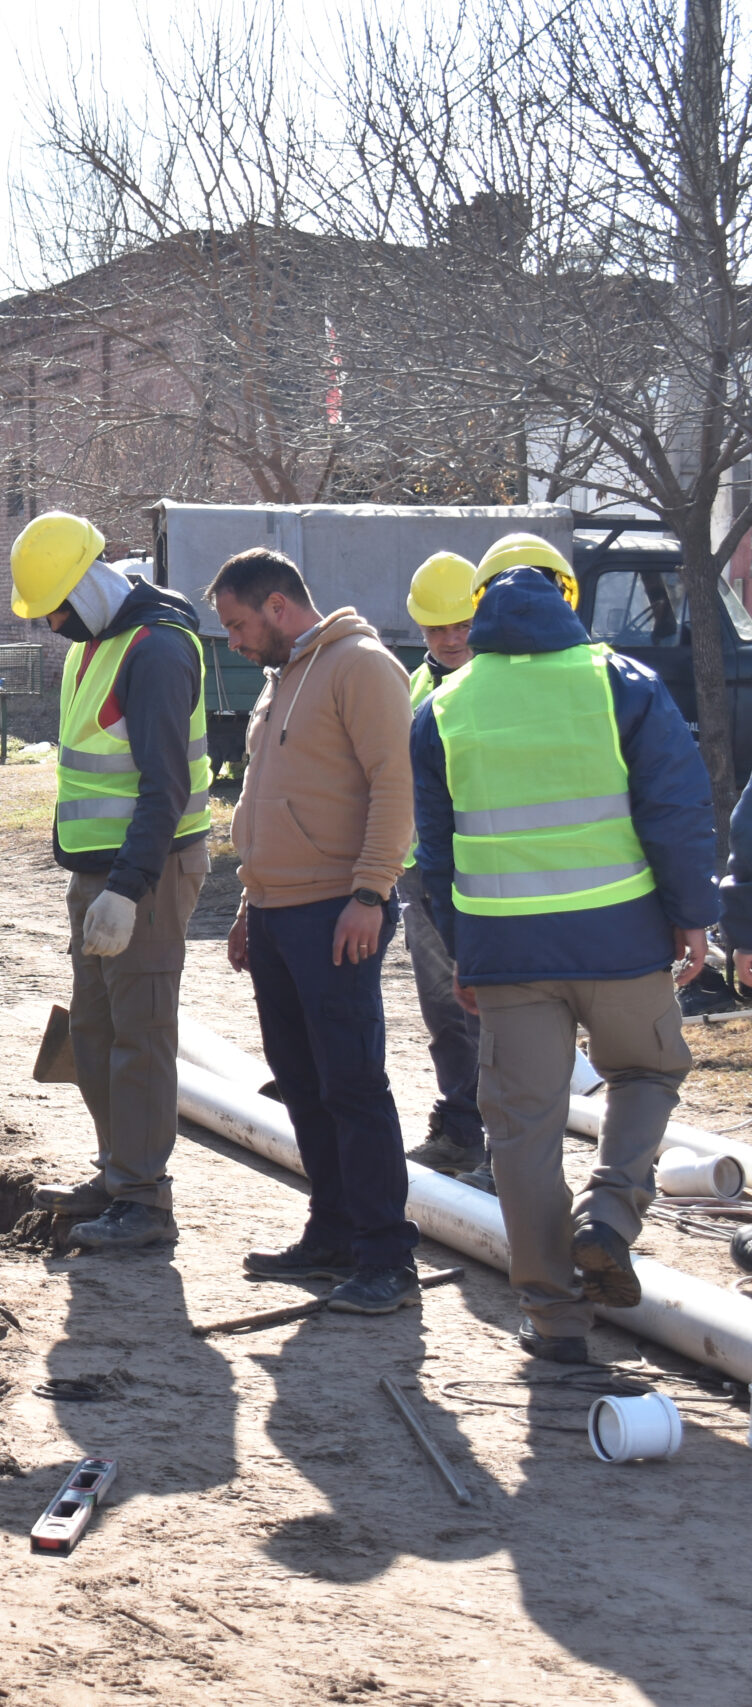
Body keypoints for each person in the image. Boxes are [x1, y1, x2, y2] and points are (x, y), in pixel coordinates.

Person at [414, 535, 716, 1363]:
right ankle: (609, 1217)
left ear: (477, 609)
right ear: (571, 597)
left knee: (522, 1132)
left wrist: (464, 954)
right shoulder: (623, 685)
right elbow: (678, 809)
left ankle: (554, 1319)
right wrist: (694, 917)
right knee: (649, 1072)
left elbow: (434, 858)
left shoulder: (443, 707)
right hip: (622, 943)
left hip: (508, 956)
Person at [213, 548, 421, 1314]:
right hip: (277, 912)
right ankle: (332, 1230)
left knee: (352, 1083)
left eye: (236, 622)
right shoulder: (283, 681)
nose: (230, 639)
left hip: (337, 911)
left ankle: (386, 1256)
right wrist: (249, 901)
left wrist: (370, 891)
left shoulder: (360, 666)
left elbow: (394, 785)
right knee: (301, 1080)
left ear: (276, 606)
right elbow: (268, 799)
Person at [11, 511, 212, 1252]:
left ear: (91, 581)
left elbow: (163, 787)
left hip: (146, 875)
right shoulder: (97, 646)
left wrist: (127, 888)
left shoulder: (156, 650)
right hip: (101, 873)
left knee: (142, 1034)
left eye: (57, 606)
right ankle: (119, 1172)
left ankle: (144, 1199)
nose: (54, 623)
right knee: (94, 1031)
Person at [398, 551, 486, 1178]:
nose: (451, 639)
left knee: (491, 1007)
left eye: (461, 625)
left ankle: (500, 1139)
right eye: (438, 629)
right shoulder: (417, 685)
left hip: (483, 869)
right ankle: (460, 1127)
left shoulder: (501, 682)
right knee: (442, 1007)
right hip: (424, 872)